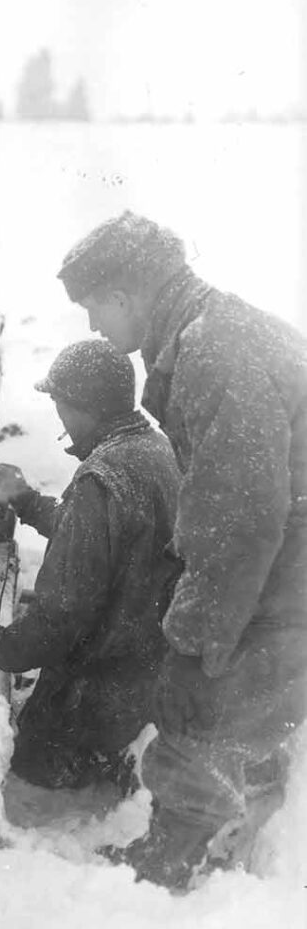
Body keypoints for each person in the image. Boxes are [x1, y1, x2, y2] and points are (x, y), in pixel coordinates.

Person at [56, 210, 307, 889]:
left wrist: (196, 644)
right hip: (285, 555)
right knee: (240, 697)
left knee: (199, 703)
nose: (92, 328)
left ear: (126, 292)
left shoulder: (211, 349)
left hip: (284, 564)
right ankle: (239, 829)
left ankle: (173, 865)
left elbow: (239, 522)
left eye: (92, 307)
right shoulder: (209, 331)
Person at [0, 340, 181, 792]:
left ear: (86, 406)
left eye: (62, 405)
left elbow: (63, 612)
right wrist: (26, 501)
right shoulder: (154, 449)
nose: (61, 418)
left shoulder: (101, 479)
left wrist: (2, 646)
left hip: (98, 693)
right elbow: (101, 542)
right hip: (147, 672)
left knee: (28, 770)